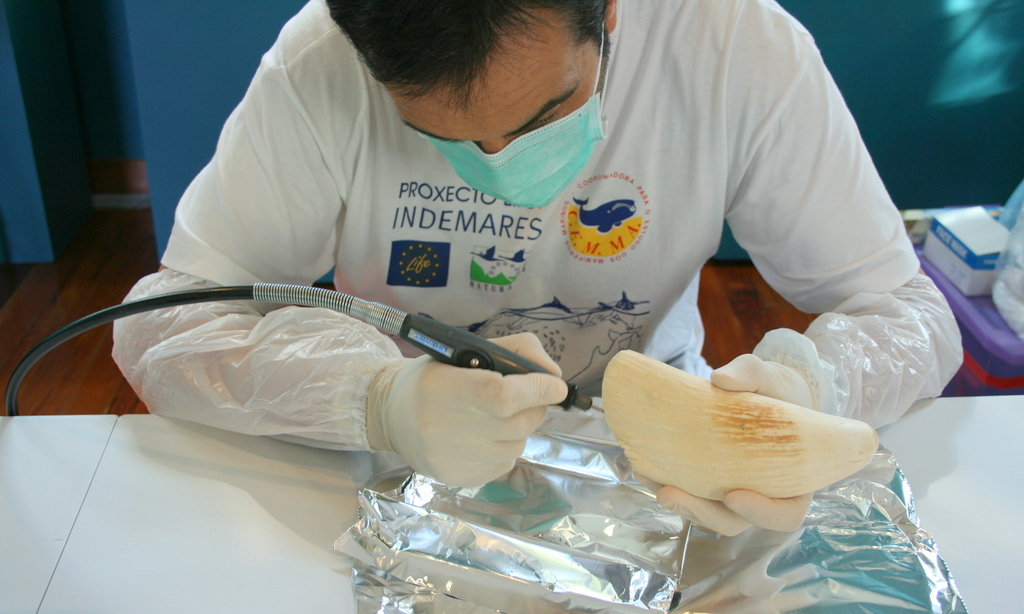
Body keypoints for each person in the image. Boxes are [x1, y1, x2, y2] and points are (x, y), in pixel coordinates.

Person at [113, 0, 962, 537]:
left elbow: (911, 313)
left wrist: (810, 389)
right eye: (441, 134)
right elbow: (162, 325)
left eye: (549, 110)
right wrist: (376, 399)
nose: (499, 159)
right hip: (402, 476)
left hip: (665, 487)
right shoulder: (322, 66)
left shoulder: (734, 45)